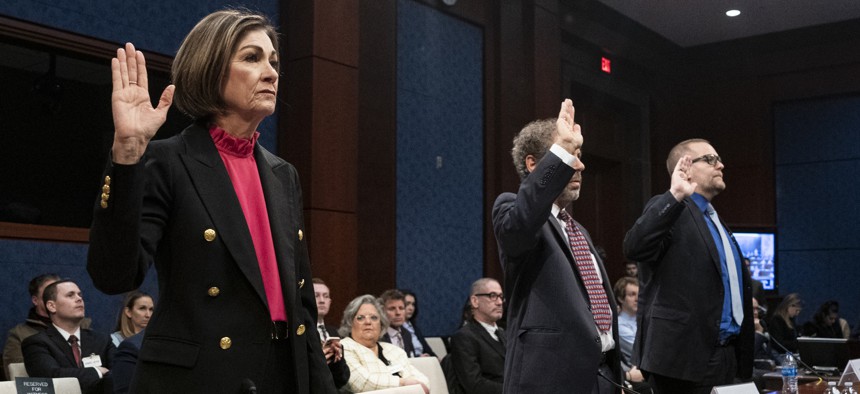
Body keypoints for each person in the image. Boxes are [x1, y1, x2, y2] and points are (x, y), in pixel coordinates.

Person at [85, 9, 335, 393]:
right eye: (252, 58)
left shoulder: (284, 174)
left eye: (274, 61)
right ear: (210, 69)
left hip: (285, 374)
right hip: (202, 378)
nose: (271, 72)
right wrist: (128, 151)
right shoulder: (166, 161)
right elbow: (114, 275)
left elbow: (301, 304)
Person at [492, 100, 621, 393]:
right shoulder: (511, 209)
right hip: (551, 379)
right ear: (534, 164)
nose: (580, 165)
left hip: (602, 377)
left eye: (578, 155)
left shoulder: (579, 230)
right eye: (568, 156)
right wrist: (561, 152)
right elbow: (523, 221)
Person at [623, 138, 754, 393]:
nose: (721, 165)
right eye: (710, 159)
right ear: (686, 167)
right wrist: (674, 197)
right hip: (682, 360)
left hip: (726, 355)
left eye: (719, 159)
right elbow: (634, 247)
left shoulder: (715, 220)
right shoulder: (671, 208)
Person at [22, 280, 115, 394]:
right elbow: (50, 377)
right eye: (70, 295)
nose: (79, 299)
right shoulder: (36, 343)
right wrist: (97, 372)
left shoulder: (102, 340)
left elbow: (120, 373)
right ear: (52, 306)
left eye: (80, 295)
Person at [338, 295, 429, 393]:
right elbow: (361, 383)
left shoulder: (395, 350)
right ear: (350, 323)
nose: (368, 322)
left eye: (374, 318)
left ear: (381, 324)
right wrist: (403, 383)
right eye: (360, 318)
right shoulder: (343, 347)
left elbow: (423, 380)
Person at [448, 278, 506, 394]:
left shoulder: (505, 334)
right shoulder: (464, 337)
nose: (499, 302)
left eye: (501, 296)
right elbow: (474, 385)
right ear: (475, 301)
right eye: (492, 295)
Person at [3, 273, 63, 376]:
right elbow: (19, 377)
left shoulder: (82, 328)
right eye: (49, 293)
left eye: (60, 293)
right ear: (36, 300)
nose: (56, 297)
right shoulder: (19, 334)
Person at [612, 277, 651, 394]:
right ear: (620, 298)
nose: (637, 299)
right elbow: (644, 351)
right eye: (632, 294)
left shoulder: (644, 320)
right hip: (635, 378)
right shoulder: (619, 326)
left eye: (639, 294)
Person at [313, 278, 350, 389]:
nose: (322, 300)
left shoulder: (334, 332)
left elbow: (343, 378)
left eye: (326, 296)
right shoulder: (302, 333)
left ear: (330, 301)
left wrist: (337, 361)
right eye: (316, 295)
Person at [378, 289, 417, 357]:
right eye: (392, 309)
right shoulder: (378, 336)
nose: (398, 313)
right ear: (382, 311)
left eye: (401, 308)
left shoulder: (407, 334)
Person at [401, 289, 436, 358]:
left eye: (413, 304)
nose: (411, 308)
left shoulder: (413, 327)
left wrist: (436, 358)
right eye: (407, 304)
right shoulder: (396, 329)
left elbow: (427, 349)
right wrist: (418, 357)